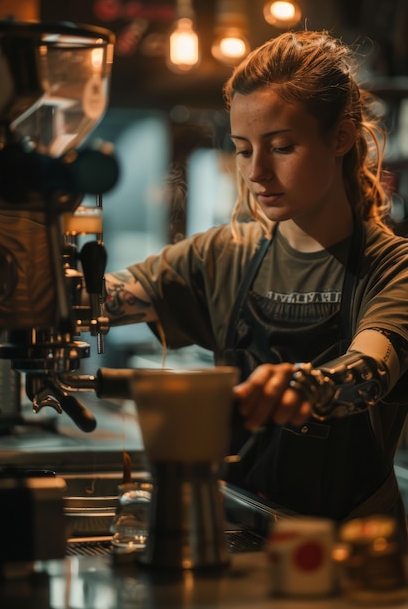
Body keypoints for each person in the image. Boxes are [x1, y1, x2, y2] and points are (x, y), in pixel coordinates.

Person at [101, 30, 408, 546]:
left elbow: (372, 368)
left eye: (282, 147)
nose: (256, 173)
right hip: (237, 531)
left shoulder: (392, 267)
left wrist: (311, 386)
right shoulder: (224, 255)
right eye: (243, 150)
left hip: (351, 552)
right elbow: (111, 297)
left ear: (341, 137)